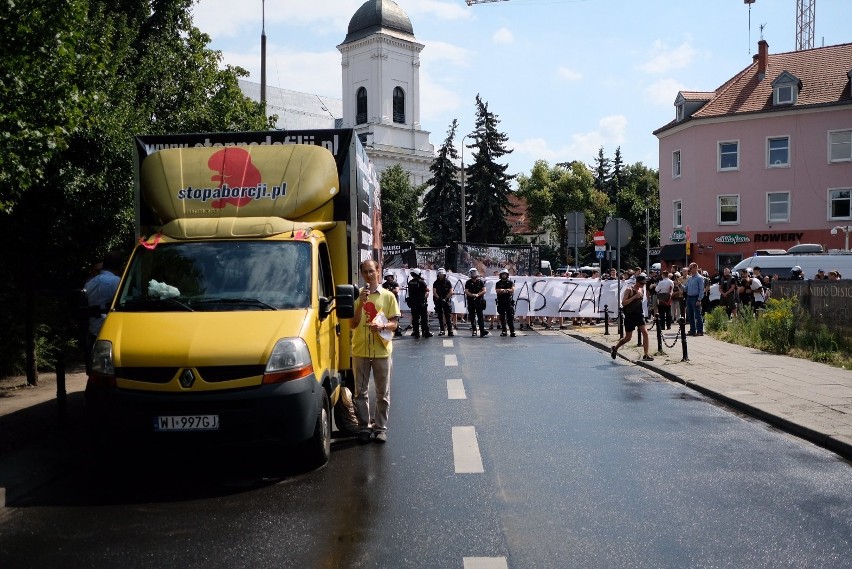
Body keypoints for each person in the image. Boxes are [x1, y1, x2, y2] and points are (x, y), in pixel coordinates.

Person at [350, 259, 400, 444]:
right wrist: (360, 304)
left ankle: (380, 428)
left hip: (381, 350)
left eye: (372, 271)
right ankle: (364, 427)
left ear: (378, 271)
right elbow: (353, 324)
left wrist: (382, 326)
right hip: (360, 350)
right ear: (362, 274)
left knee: (382, 392)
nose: (369, 275)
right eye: (365, 272)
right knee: (360, 392)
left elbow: (394, 324)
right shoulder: (358, 297)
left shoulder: (388, 296)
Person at [84, 251, 123, 373]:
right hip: (110, 334)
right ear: (119, 266)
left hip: (93, 331)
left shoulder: (90, 283)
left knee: (94, 373)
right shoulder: (117, 282)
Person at [610, 274, 654, 361]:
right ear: (637, 282)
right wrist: (634, 297)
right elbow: (624, 303)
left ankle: (646, 355)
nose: (643, 285)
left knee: (645, 333)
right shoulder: (629, 290)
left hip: (639, 314)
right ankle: (615, 348)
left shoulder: (642, 289)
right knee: (628, 338)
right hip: (630, 315)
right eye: (641, 283)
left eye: (644, 284)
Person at [406, 268, 432, 338]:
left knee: (415, 318)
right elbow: (427, 290)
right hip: (421, 303)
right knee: (424, 318)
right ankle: (425, 332)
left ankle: (416, 332)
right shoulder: (421, 282)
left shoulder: (410, 282)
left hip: (413, 303)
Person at [464, 268, 488, 337]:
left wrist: (478, 294)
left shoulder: (480, 282)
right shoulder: (468, 282)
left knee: (480, 316)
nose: (474, 274)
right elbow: (466, 291)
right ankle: (474, 330)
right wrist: (472, 295)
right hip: (471, 301)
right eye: (472, 273)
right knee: (472, 317)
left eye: (475, 273)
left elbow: (484, 290)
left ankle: (482, 331)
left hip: (479, 301)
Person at [381, 269, 404, 337]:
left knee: (395, 315)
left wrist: (389, 291)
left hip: (394, 301)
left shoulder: (395, 283)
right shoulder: (384, 284)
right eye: (388, 276)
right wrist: (391, 291)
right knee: (387, 315)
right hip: (386, 301)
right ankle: (388, 329)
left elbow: (396, 290)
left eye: (390, 276)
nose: (389, 278)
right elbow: (383, 292)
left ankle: (397, 329)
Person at [684, 262, 705, 336]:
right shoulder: (690, 278)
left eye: (690, 268)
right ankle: (692, 330)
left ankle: (700, 331)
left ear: (695, 268)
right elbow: (685, 289)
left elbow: (701, 290)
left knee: (697, 315)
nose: (689, 270)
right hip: (689, 297)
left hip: (695, 298)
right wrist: (679, 284)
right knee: (690, 315)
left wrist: (699, 300)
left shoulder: (699, 278)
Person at [432, 267, 454, 337]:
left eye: (442, 274)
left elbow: (451, 291)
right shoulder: (436, 282)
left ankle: (450, 330)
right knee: (440, 316)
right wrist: (439, 298)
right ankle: (442, 330)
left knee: (447, 316)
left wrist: (446, 298)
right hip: (438, 300)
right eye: (440, 274)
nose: (441, 276)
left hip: (446, 300)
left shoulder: (448, 282)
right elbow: (434, 292)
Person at [494, 268, 516, 337]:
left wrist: (505, 290)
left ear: (507, 275)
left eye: (505, 274)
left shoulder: (510, 282)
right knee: (502, 317)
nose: (504, 275)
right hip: (501, 301)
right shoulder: (498, 283)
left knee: (510, 317)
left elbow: (512, 290)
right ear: (500, 275)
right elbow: (497, 290)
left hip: (508, 302)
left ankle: (512, 331)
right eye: (503, 274)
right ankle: (504, 331)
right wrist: (503, 290)